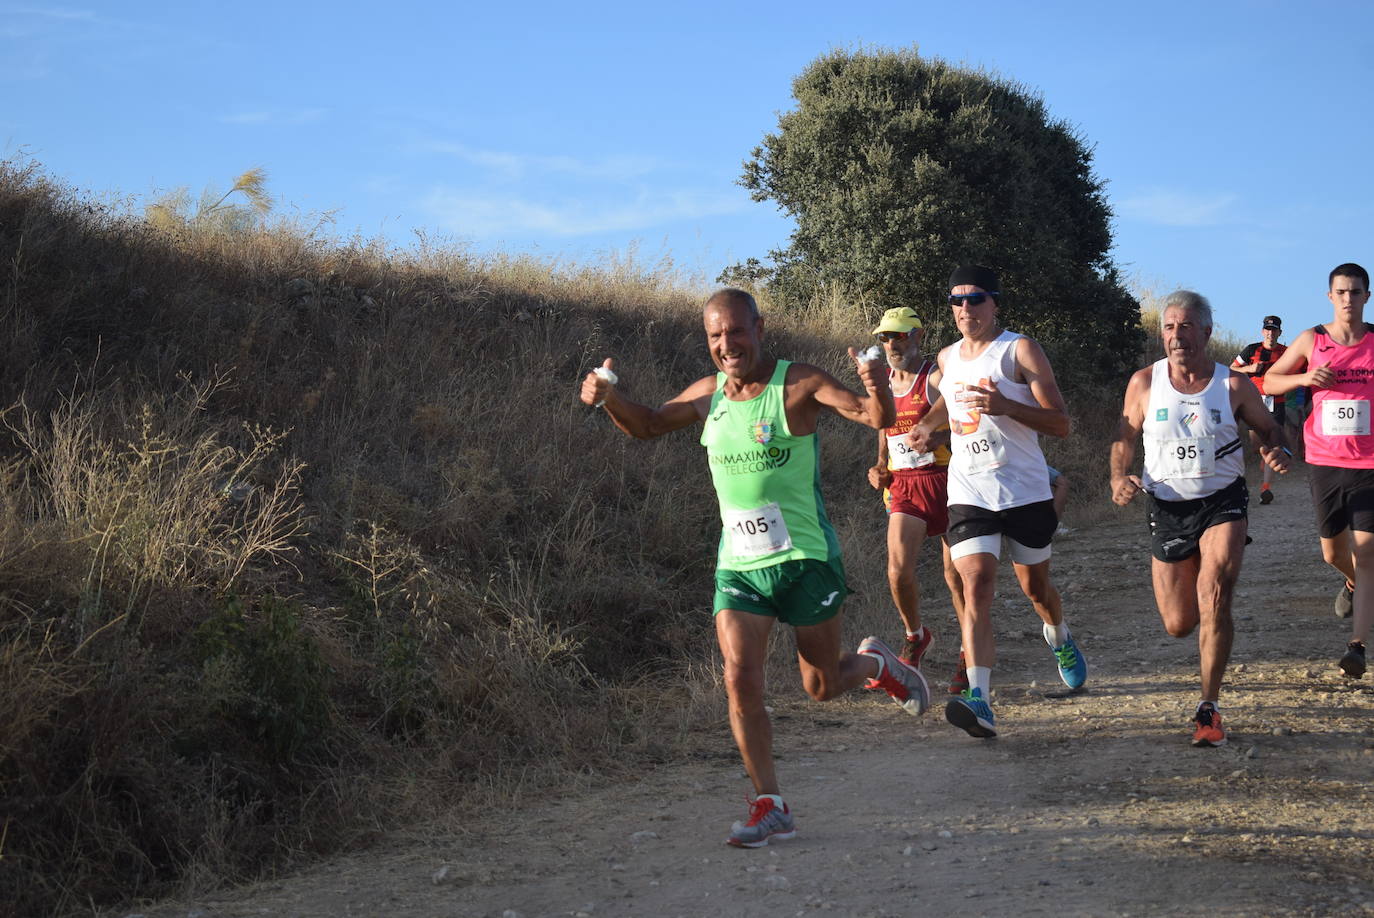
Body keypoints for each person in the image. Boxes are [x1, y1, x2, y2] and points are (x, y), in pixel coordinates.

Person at [579, 288, 930, 848]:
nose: (726, 345)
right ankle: (771, 802)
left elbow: (874, 418)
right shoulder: (708, 394)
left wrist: (875, 387)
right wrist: (607, 398)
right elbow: (645, 424)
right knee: (740, 677)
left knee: (820, 686)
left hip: (805, 560)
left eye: (736, 332)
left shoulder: (800, 383)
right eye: (716, 336)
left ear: (759, 329)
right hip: (739, 566)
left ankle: (871, 666)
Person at [909, 265, 1087, 740]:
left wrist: (1009, 406)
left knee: (1036, 591)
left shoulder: (1018, 350)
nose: (965, 308)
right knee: (977, 588)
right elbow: (947, 403)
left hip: (1024, 490)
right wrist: (928, 426)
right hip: (969, 491)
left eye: (976, 299)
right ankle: (980, 699)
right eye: (957, 300)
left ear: (995, 304)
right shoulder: (945, 359)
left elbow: (1060, 423)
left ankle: (1059, 636)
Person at [1110, 290, 1291, 747]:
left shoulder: (1232, 385)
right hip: (1167, 507)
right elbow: (1124, 438)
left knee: (1215, 596)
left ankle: (1208, 707)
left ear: (1207, 332)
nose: (1177, 335)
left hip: (1222, 502)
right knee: (1178, 622)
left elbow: (1268, 428)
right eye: (1170, 326)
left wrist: (1277, 447)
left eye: (1186, 326)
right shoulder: (1144, 384)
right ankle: (1201, 639)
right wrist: (1118, 476)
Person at [1266, 263, 1374, 677]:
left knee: (1366, 554)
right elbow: (1270, 382)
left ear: (1367, 296)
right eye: (1341, 292)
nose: (1349, 298)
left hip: (1368, 464)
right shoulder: (1313, 340)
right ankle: (1354, 584)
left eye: (1356, 292)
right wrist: (1306, 376)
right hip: (1326, 462)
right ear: (1330, 296)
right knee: (1333, 552)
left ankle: (1357, 646)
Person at [865, 306, 968, 692]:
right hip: (904, 484)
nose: (892, 344)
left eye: (900, 336)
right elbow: (882, 426)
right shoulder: (883, 381)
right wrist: (878, 465)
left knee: (955, 579)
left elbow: (968, 421)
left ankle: (967, 652)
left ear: (918, 337)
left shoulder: (936, 378)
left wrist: (941, 438)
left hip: (948, 480)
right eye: (886, 337)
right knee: (897, 571)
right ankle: (915, 636)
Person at [1232, 315, 1288, 504]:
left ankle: (1266, 488)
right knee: (1259, 447)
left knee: (1271, 445)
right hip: (1254, 402)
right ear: (1263, 331)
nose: (1271, 333)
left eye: (1274, 330)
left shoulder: (1286, 352)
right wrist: (1249, 369)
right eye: (1268, 329)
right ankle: (1266, 461)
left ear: (1280, 333)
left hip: (1277, 402)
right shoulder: (1251, 350)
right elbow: (1231, 369)